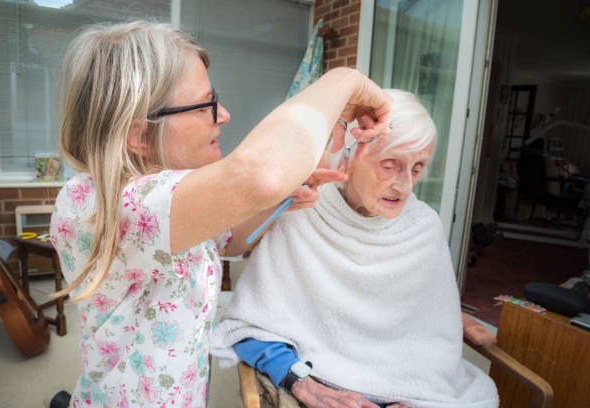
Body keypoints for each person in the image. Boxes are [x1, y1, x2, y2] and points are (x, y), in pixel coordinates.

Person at [48, 20, 391, 408]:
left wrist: (281, 200)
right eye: (206, 104)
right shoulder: (102, 204)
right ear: (141, 135)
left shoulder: (174, 190)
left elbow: (228, 242)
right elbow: (262, 176)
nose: (224, 114)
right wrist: (345, 79)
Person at [211, 89, 499, 408]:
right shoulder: (305, 209)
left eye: (417, 168)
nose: (405, 185)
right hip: (320, 379)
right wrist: (301, 382)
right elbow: (255, 324)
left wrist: (419, 400)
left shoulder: (423, 226)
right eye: (390, 165)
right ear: (350, 155)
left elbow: (434, 339)